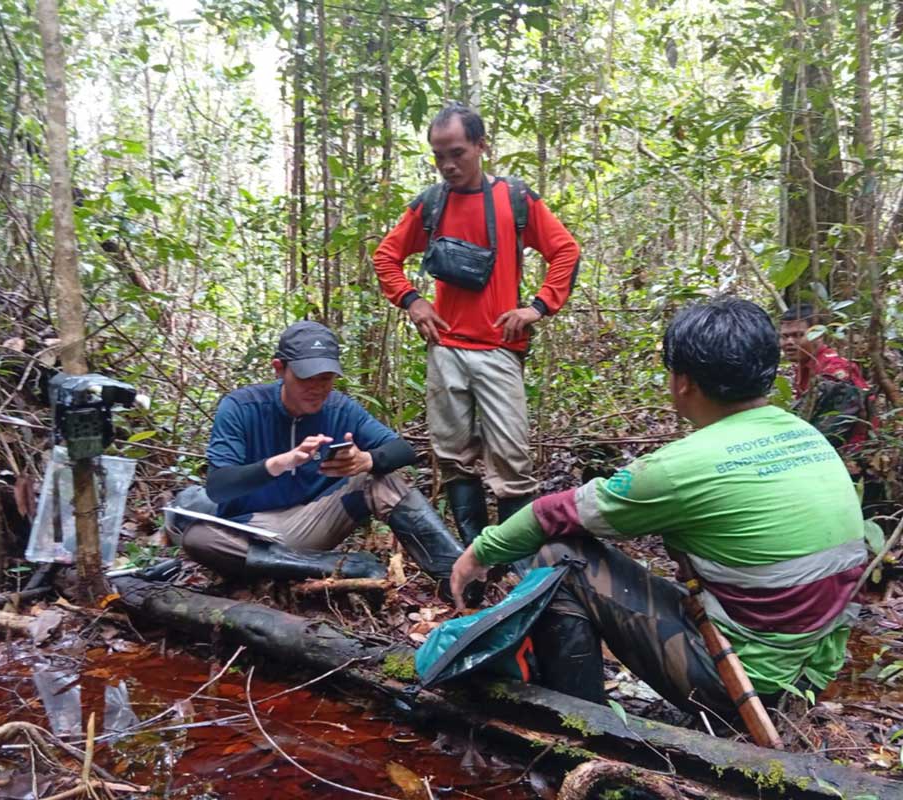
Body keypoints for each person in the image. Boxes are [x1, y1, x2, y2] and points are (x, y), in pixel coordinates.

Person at [450, 298, 866, 719]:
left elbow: (552, 514)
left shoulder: (681, 466)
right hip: (806, 675)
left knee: (558, 556)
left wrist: (478, 553)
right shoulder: (806, 436)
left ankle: (578, 722)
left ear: (683, 381)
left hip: (742, 686)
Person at [373, 103, 581, 546]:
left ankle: (517, 551)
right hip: (445, 346)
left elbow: (565, 251)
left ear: (482, 146)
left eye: (458, 153)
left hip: (500, 346)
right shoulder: (430, 204)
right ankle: (471, 545)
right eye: (438, 155)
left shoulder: (515, 199)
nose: (448, 164)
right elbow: (385, 256)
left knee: (511, 455)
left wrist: (538, 307)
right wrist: (413, 301)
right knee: (452, 455)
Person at [179, 321, 469, 596]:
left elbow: (403, 450)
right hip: (255, 531)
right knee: (198, 538)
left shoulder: (340, 408)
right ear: (279, 369)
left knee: (383, 481)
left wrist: (366, 460)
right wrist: (279, 464)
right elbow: (218, 487)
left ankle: (459, 575)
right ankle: (338, 566)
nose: (317, 388)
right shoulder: (241, 407)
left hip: (316, 519)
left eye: (326, 378)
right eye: (306, 378)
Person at [779, 303, 872, 448]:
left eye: (798, 335)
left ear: (818, 336)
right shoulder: (803, 366)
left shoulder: (834, 371)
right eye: (785, 336)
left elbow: (832, 430)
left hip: (849, 453)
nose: (789, 342)